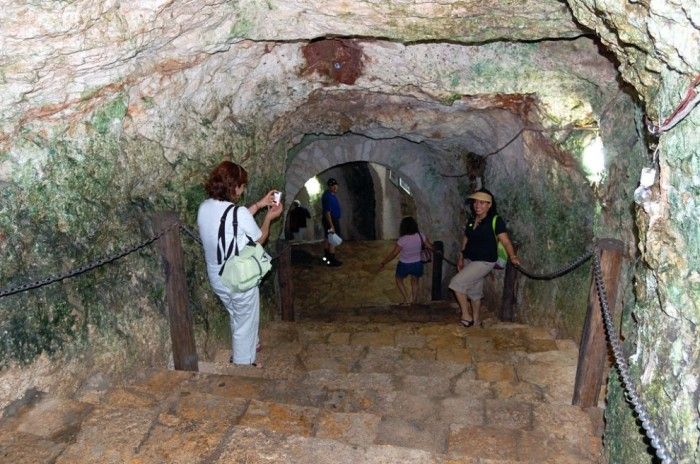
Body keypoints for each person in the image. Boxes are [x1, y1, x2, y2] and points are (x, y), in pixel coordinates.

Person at [197, 161, 283, 367]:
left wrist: (260, 205)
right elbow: (259, 238)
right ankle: (244, 364)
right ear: (234, 186)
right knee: (246, 318)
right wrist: (269, 218)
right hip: (237, 275)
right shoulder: (238, 213)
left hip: (217, 276)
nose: (243, 190)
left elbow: (231, 220)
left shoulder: (204, 207)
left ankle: (249, 346)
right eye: (242, 186)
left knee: (236, 313)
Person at [449, 188, 520, 327]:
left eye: (482, 203)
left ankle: (466, 316)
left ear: (489, 205)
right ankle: (475, 320)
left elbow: (505, 241)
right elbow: (466, 238)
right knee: (475, 292)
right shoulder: (472, 219)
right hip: (470, 259)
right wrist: (461, 257)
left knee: (456, 284)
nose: (478, 205)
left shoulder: (495, 220)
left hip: (484, 261)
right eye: (476, 202)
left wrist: (513, 256)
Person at [378, 216, 433, 305]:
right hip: (417, 263)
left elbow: (394, 254)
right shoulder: (420, 236)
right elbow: (431, 246)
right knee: (415, 281)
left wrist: (384, 262)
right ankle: (413, 300)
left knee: (398, 279)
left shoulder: (402, 240)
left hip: (404, 264)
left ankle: (406, 299)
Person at [321, 178, 342, 267]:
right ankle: (332, 260)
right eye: (332, 186)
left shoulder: (328, 194)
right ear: (329, 187)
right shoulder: (328, 197)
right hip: (331, 220)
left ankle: (326, 256)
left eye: (335, 185)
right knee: (333, 239)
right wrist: (332, 225)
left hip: (330, 220)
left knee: (327, 237)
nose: (335, 187)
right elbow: (327, 212)